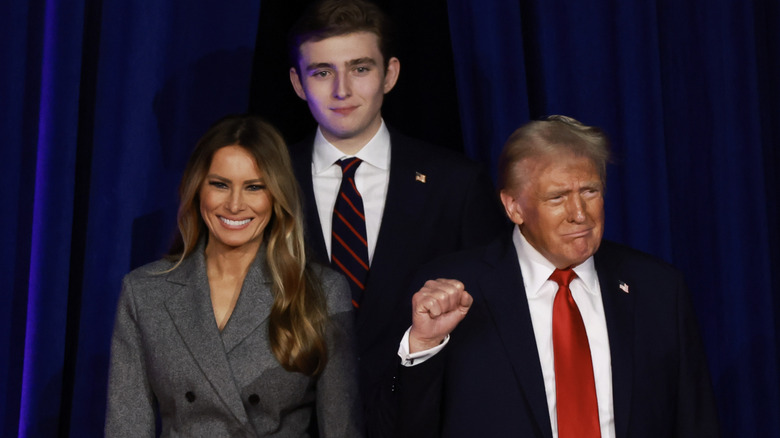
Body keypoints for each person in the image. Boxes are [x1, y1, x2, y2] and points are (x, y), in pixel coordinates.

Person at [391, 115, 720, 437]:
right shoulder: (454, 291)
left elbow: (695, 421)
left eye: (590, 191)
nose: (579, 214)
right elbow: (405, 424)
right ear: (513, 207)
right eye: (558, 197)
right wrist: (423, 345)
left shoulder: (658, 289)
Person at [286, 0, 507, 403]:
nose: (342, 90)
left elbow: (495, 316)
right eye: (322, 72)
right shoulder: (267, 182)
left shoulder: (454, 184)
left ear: (390, 74)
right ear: (299, 84)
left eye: (360, 68)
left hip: (424, 417)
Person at [105, 115, 362, 437]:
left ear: (276, 195)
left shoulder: (322, 291)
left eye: (254, 187)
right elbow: (126, 427)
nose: (235, 205)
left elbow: (342, 428)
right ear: (198, 188)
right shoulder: (144, 291)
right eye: (220, 185)